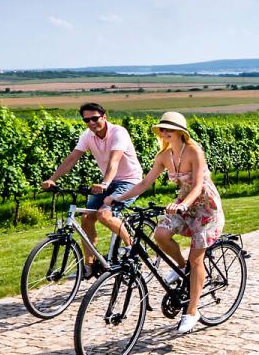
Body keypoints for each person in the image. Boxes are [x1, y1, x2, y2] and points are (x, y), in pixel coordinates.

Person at [106, 111, 225, 334]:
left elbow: (198, 185)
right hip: (182, 203)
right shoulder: (163, 156)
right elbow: (145, 183)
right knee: (160, 234)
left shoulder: (194, 151)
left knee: (197, 258)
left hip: (205, 207)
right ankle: (181, 266)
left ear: (181, 132)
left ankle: (192, 312)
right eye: (162, 129)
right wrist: (118, 198)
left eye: (169, 128)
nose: (165, 132)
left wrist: (183, 204)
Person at [40, 103, 142, 278]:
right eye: (86, 120)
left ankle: (132, 248)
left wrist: (104, 183)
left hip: (129, 181)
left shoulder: (118, 132)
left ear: (104, 116)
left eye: (94, 118)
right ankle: (89, 266)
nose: (91, 122)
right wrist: (52, 179)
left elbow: (114, 160)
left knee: (104, 214)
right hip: (108, 182)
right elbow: (72, 158)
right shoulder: (87, 136)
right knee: (86, 218)